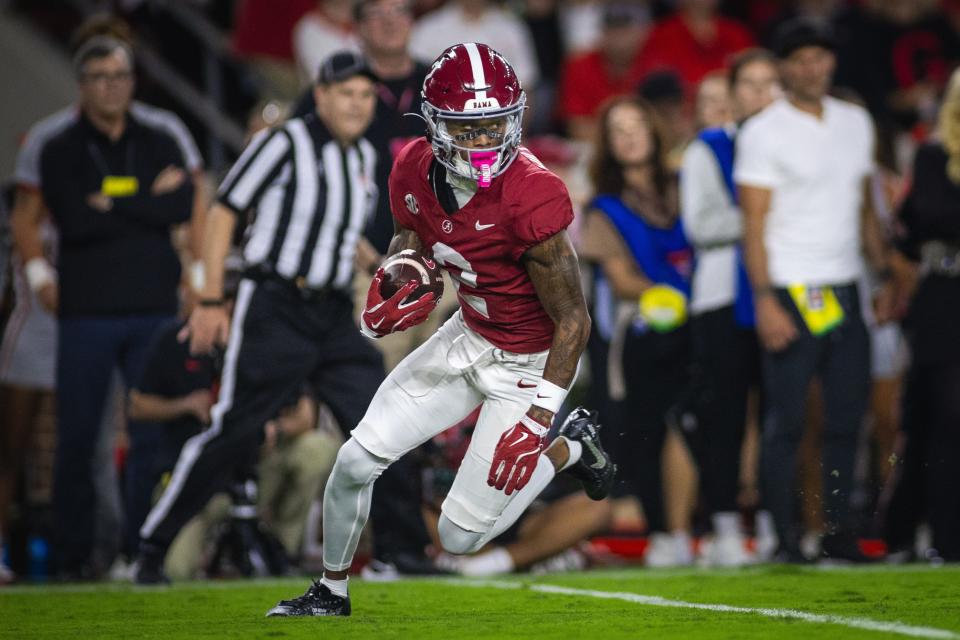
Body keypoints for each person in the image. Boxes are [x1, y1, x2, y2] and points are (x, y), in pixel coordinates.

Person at [267, 42, 614, 617]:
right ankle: (330, 590)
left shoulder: (534, 193)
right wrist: (400, 270)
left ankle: (568, 447)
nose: (484, 141)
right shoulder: (410, 166)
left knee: (458, 538)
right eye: (467, 128)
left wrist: (537, 417)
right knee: (355, 460)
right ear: (434, 125)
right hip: (468, 334)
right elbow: (413, 234)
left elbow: (574, 321)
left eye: (495, 125)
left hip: (528, 364)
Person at [133, 50, 414, 584]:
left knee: (386, 418)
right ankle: (153, 546)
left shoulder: (358, 158)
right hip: (277, 307)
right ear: (322, 96)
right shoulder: (285, 142)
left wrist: (379, 265)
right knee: (235, 430)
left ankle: (403, 550)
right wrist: (211, 298)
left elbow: (334, 227)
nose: (356, 104)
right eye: (346, 93)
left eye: (364, 95)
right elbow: (224, 208)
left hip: (331, 312)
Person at [9, 36, 195, 579]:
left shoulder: (161, 135)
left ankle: (142, 552)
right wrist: (145, 201)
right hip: (86, 310)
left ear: (132, 81)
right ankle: (72, 559)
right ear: (81, 84)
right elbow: (73, 217)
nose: (109, 86)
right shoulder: (59, 145)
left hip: (153, 308)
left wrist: (112, 201)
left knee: (149, 435)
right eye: (98, 77)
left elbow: (182, 204)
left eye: (118, 76)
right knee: (78, 434)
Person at [734, 19, 894, 562]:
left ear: (831, 62)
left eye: (820, 57)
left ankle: (838, 532)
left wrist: (885, 274)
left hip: (846, 286)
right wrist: (764, 298)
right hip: (791, 288)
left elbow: (864, 209)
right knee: (788, 420)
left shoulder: (856, 121)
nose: (812, 67)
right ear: (785, 67)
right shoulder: (763, 130)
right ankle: (784, 538)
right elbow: (752, 225)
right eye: (800, 58)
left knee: (848, 417)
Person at [579, 95, 695, 568]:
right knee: (649, 431)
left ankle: (697, 527)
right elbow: (623, 281)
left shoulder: (689, 185)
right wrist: (684, 296)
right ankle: (666, 530)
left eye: (636, 125)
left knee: (695, 426)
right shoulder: (602, 207)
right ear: (607, 143)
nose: (628, 136)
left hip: (700, 325)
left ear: (655, 130)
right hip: (641, 331)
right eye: (617, 129)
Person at [679, 48, 781, 566]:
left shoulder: (793, 148)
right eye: (752, 86)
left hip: (783, 292)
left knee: (779, 414)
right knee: (725, 418)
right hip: (721, 298)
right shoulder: (708, 149)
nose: (762, 96)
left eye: (771, 85)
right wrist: (768, 219)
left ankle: (772, 523)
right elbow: (700, 226)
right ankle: (722, 527)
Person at [882, 68, 960, 562]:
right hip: (946, 299)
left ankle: (902, 530)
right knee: (946, 416)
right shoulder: (935, 156)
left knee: (934, 416)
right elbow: (922, 222)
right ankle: (942, 538)